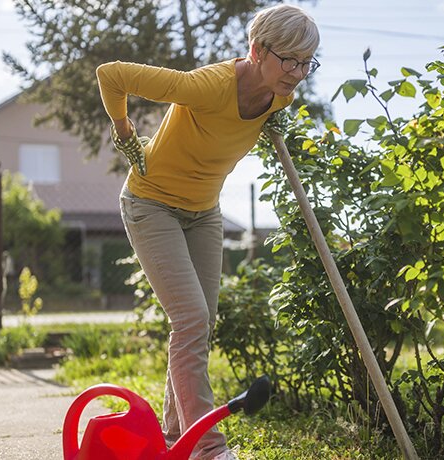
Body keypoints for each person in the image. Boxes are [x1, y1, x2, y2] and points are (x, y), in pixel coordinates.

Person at [96, 4, 320, 460]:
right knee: (191, 320)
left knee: (199, 324)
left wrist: (272, 119)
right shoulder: (206, 85)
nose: (298, 74)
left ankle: (174, 437)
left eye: (306, 63)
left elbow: (246, 121)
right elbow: (111, 74)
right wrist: (124, 131)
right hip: (151, 204)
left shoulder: (279, 96)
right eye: (289, 61)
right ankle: (208, 449)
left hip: (204, 212)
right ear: (257, 50)